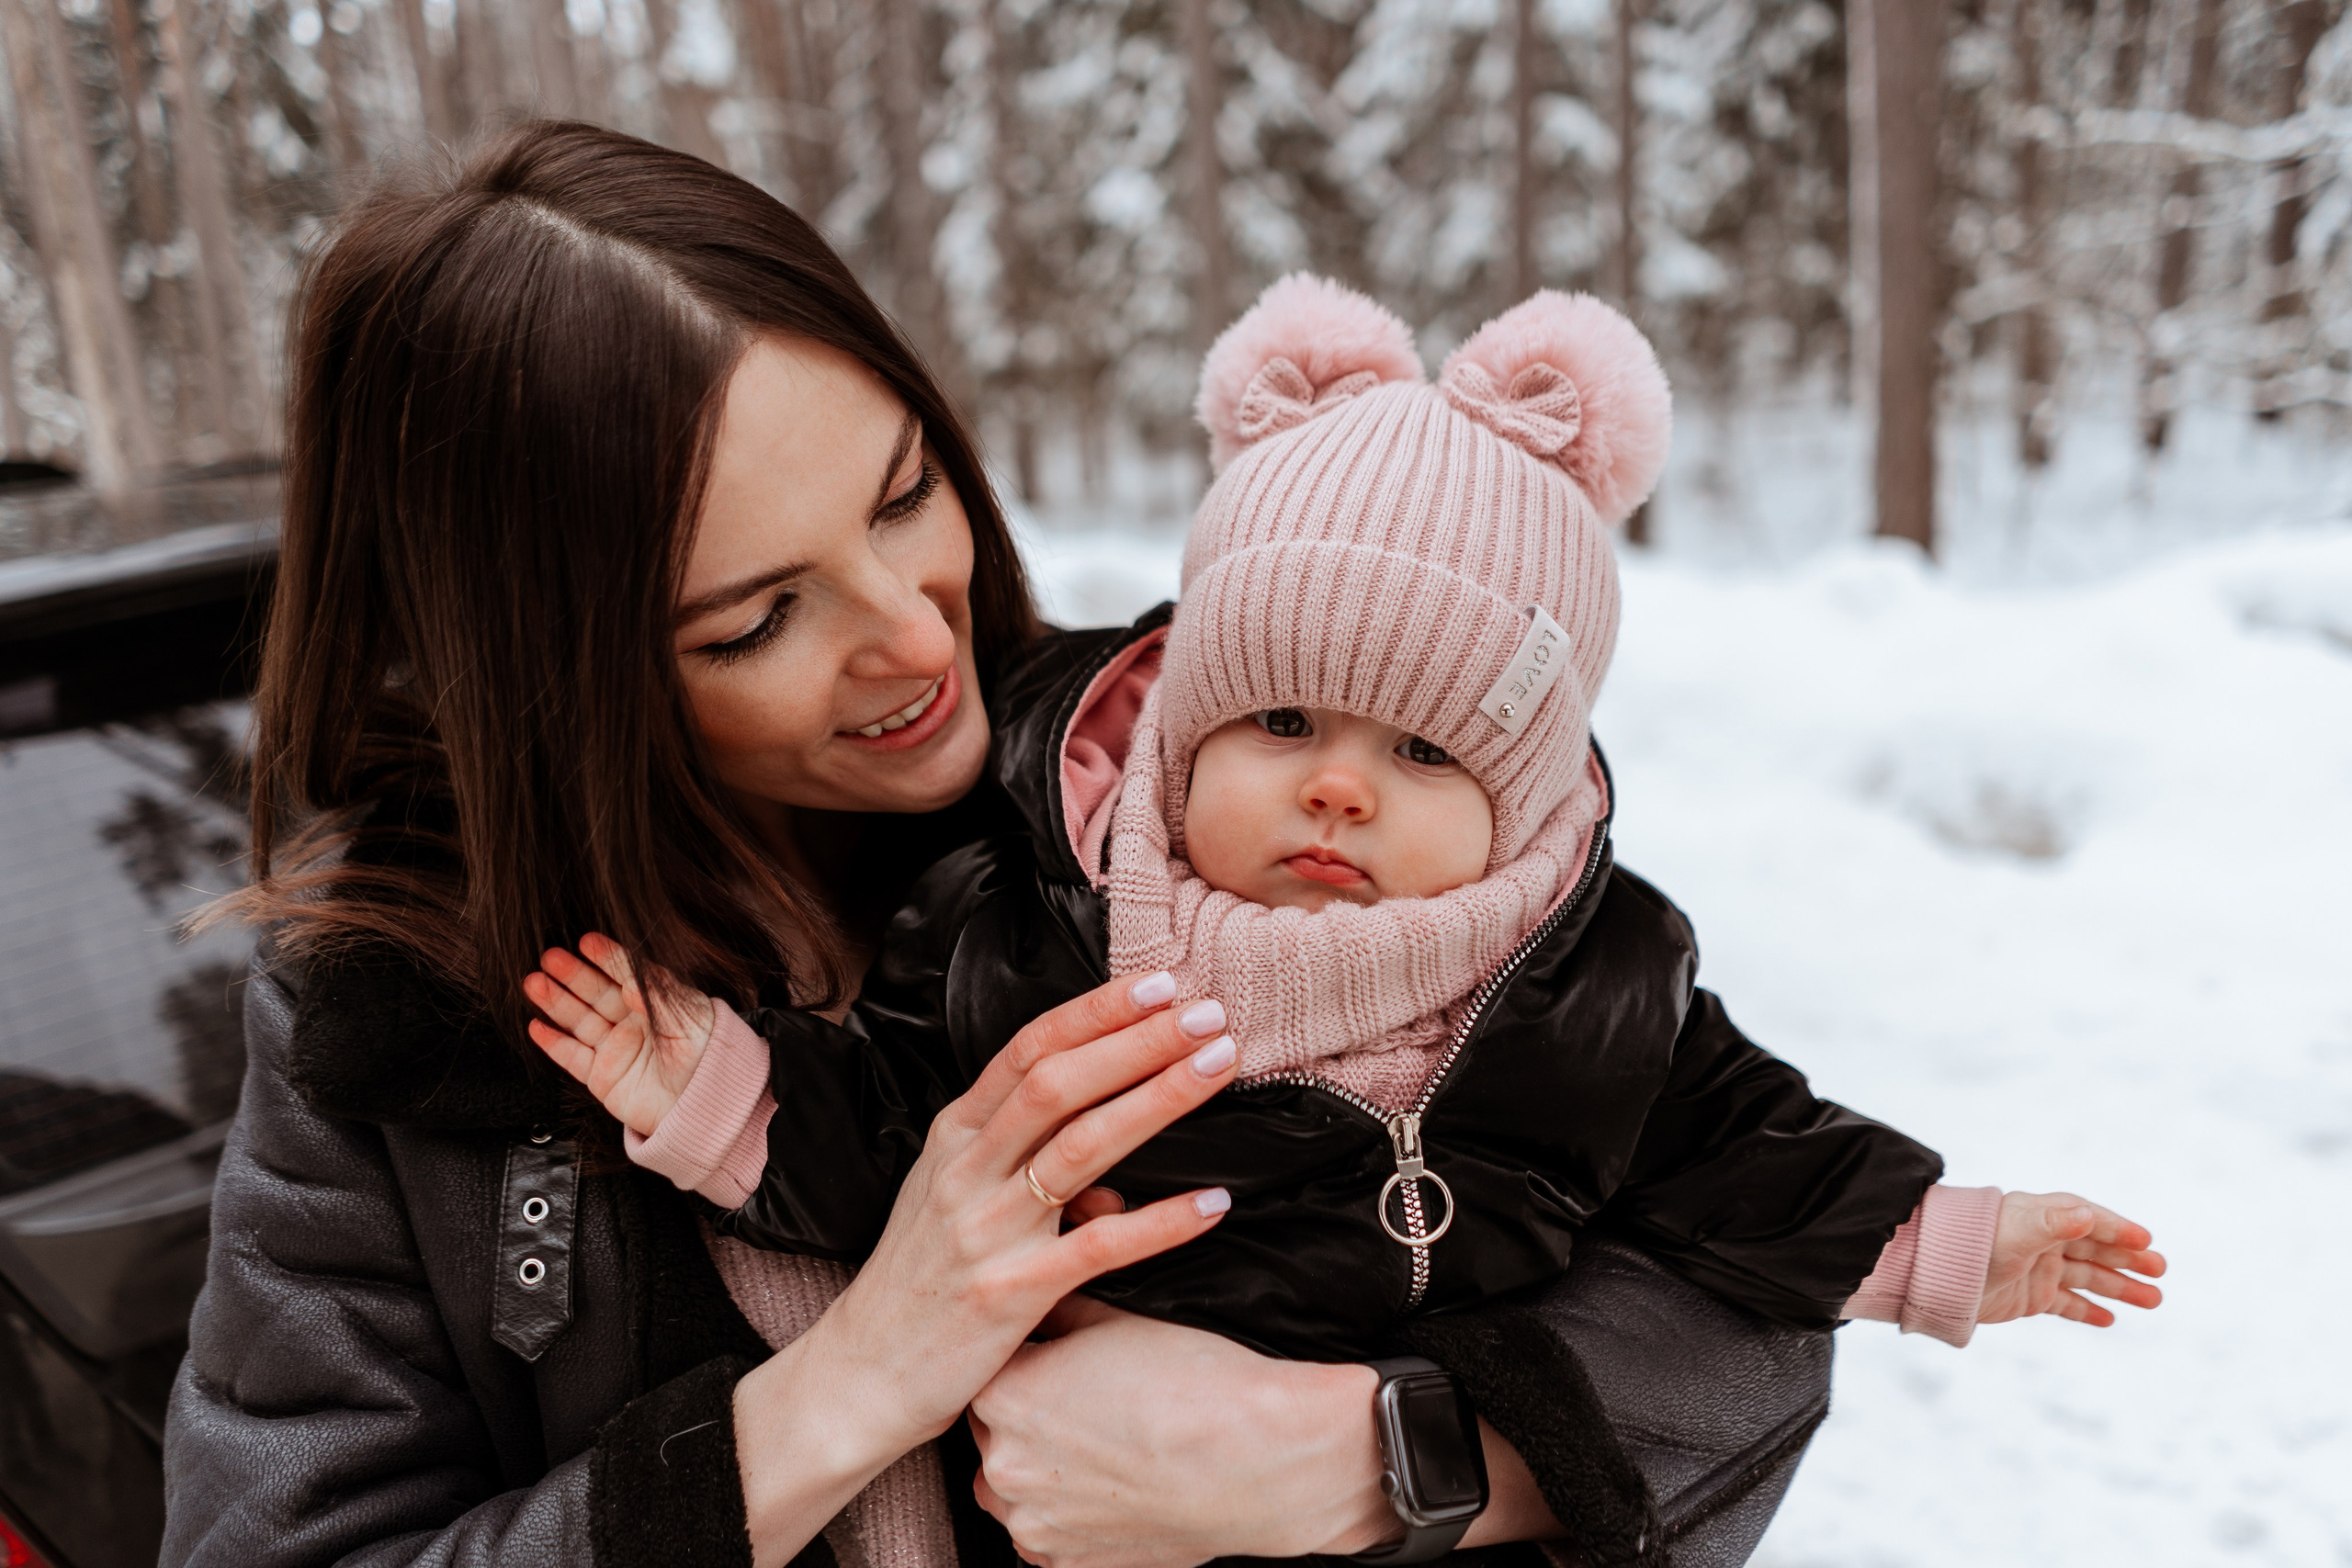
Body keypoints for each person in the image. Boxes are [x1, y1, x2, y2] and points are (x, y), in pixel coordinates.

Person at [160, 123, 1891, 1568]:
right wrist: (846, 1389)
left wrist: (1364, 1456)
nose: (916, 639)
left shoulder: (1174, 784)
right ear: (550, 673)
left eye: (906, 492)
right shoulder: (415, 1032)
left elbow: (1741, 1300)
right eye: (757, 617)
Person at [526, 276, 2165, 1392]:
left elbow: (1748, 1153)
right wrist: (712, 1086)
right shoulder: (1035, 926)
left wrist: (1958, 1245)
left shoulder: (1587, 981)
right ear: (1185, 729)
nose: (1337, 788)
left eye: (1422, 751)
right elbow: (888, 1132)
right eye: (1285, 725)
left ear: (1521, 792)